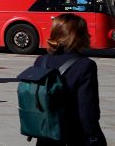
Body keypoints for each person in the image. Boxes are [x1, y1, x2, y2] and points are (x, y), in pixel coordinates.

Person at [31, 13, 106, 145]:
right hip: (73, 135)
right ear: (78, 36)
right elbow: (87, 109)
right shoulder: (85, 65)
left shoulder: (41, 61)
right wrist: (94, 136)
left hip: (45, 134)